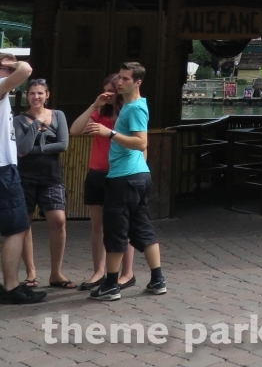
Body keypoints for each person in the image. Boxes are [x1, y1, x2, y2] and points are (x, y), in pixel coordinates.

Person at [83, 62, 166, 300]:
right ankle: (157, 279)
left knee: (116, 230)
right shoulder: (131, 106)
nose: (120, 82)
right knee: (141, 228)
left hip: (125, 178)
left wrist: (108, 133)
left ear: (138, 82)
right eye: (119, 78)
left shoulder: (135, 109)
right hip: (136, 177)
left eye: (126, 79)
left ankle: (110, 284)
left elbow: (141, 143)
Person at [69, 75, 136, 290]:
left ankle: (127, 273)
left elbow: (140, 142)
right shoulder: (101, 112)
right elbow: (74, 130)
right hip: (96, 172)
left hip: (119, 173)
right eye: (105, 90)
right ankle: (98, 271)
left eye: (112, 90)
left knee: (121, 225)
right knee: (97, 226)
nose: (108, 94)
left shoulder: (129, 112)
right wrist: (94, 105)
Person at [13, 79, 71, 289]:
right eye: (32, 93)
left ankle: (56, 272)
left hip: (51, 177)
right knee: (24, 224)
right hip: (25, 177)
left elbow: (63, 144)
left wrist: (37, 148)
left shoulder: (58, 116)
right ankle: (31, 272)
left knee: (58, 221)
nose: (36, 97)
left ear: (47, 95)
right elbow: (23, 147)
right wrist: (37, 125)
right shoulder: (19, 120)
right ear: (27, 96)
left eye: (40, 93)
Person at [0, 54, 45, 304]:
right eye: (6, 67)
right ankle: (11, 286)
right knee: (17, 228)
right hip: (3, 168)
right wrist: (14, 65)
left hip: (5, 166)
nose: (10, 70)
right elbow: (26, 69)